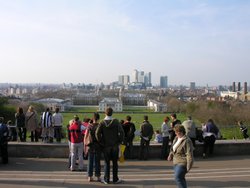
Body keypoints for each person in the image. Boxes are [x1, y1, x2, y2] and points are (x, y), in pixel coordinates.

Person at [96, 107, 124, 184]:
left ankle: (106, 179)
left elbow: (97, 133)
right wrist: (119, 140)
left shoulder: (102, 122)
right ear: (112, 113)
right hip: (114, 145)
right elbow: (121, 132)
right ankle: (115, 179)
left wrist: (101, 142)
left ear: (105, 113)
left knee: (106, 163)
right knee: (115, 163)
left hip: (106, 146)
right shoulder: (116, 121)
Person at [84, 112, 102, 182]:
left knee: (90, 161)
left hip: (91, 145)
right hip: (98, 145)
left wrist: (85, 145)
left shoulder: (89, 126)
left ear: (93, 118)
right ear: (98, 118)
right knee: (97, 161)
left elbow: (86, 136)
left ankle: (90, 176)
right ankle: (98, 176)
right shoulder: (100, 125)